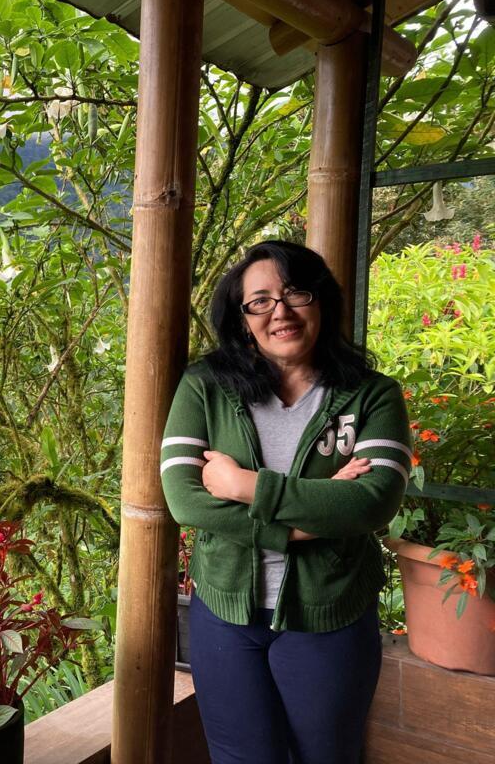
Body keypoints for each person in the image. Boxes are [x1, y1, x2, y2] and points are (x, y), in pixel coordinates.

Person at [161, 240, 411, 764]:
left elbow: (371, 503)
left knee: (328, 755)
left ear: (321, 300)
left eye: (296, 292)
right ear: (241, 316)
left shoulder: (370, 394)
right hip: (226, 612)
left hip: (331, 614)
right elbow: (185, 500)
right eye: (260, 300)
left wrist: (244, 485)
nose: (280, 311)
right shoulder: (205, 386)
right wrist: (303, 522)